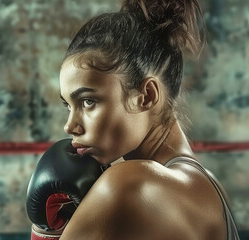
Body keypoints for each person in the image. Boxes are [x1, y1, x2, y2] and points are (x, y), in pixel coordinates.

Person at [26, 0, 241, 239]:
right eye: (68, 105)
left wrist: (45, 231)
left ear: (147, 96)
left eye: (88, 102)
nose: (70, 126)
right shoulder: (208, 185)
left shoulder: (126, 186)